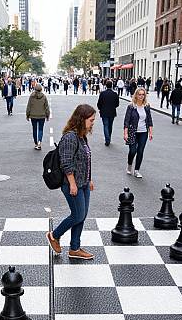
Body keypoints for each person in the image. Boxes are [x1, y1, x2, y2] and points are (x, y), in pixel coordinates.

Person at [46, 104, 96, 260]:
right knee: (77, 215)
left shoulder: (82, 135)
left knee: (82, 215)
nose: (93, 123)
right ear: (82, 119)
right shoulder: (70, 137)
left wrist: (89, 179)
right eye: (91, 120)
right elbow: (66, 163)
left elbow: (85, 160)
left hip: (83, 183)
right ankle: (54, 235)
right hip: (72, 184)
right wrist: (73, 184)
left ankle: (74, 248)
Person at [124, 88, 153, 178]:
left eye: (143, 94)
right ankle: (129, 165)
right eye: (139, 94)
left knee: (140, 151)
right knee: (133, 151)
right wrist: (125, 133)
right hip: (133, 131)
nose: (141, 96)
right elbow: (126, 121)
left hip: (143, 132)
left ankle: (136, 170)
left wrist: (150, 132)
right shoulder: (131, 106)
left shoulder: (147, 106)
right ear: (136, 95)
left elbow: (149, 120)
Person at [26, 83, 50, 150]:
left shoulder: (31, 96)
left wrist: (27, 115)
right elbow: (46, 107)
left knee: (34, 129)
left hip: (33, 115)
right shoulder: (44, 96)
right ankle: (39, 142)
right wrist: (47, 115)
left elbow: (29, 106)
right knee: (40, 129)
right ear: (41, 89)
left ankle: (36, 143)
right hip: (42, 115)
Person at [97, 80, 119, 146]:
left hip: (104, 111)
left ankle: (107, 139)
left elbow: (99, 103)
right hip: (112, 111)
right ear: (112, 85)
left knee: (105, 125)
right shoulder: (115, 94)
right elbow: (117, 104)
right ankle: (109, 137)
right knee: (110, 125)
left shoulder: (102, 93)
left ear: (106, 85)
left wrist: (100, 108)